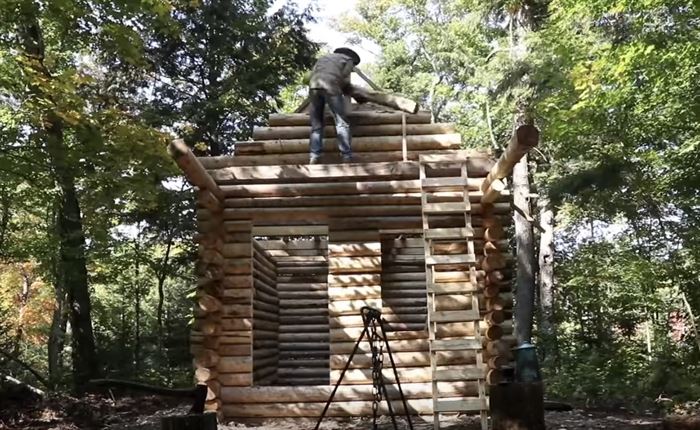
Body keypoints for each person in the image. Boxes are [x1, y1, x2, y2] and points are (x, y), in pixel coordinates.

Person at [308, 47, 361, 164]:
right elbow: (344, 78)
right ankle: (346, 155)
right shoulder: (348, 60)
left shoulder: (323, 58)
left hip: (314, 86)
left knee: (316, 124)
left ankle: (314, 156)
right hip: (331, 86)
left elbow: (312, 74)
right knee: (341, 122)